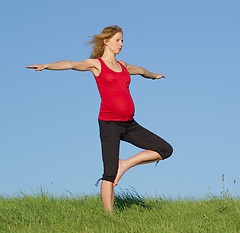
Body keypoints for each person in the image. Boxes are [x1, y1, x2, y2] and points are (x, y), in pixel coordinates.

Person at [26, 25, 173, 214]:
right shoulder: (96, 65)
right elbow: (70, 64)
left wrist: (154, 76)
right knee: (109, 173)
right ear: (106, 41)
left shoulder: (123, 66)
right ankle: (109, 216)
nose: (121, 44)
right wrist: (46, 66)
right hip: (109, 124)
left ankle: (125, 164)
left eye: (122, 40)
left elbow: (141, 70)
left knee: (165, 149)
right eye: (117, 40)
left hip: (130, 124)